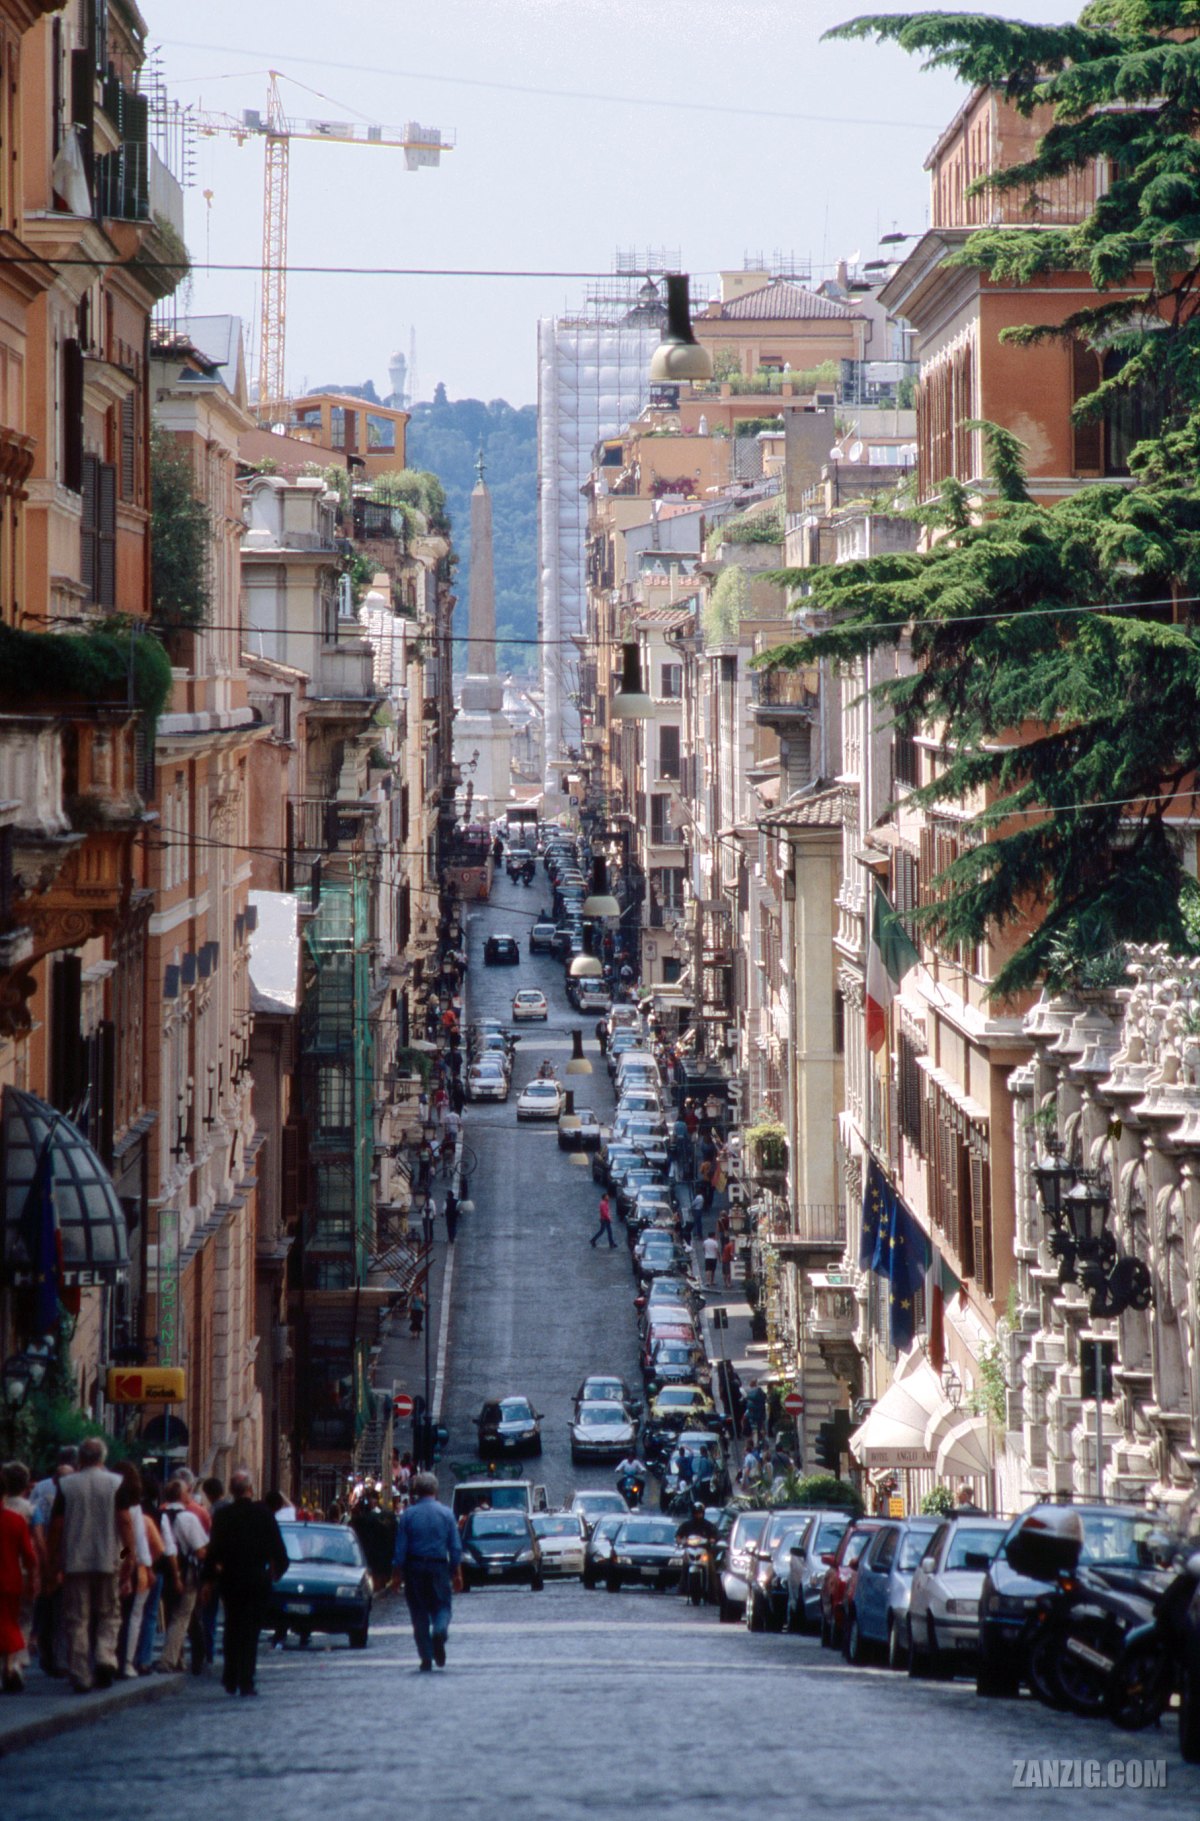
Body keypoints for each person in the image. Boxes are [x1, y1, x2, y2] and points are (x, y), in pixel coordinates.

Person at [49, 1436, 134, 1693]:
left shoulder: (66, 1485)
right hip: (109, 1559)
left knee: (77, 1618)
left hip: (74, 1560)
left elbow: (57, 1526)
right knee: (109, 1614)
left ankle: (81, 1673)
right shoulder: (116, 1483)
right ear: (102, 1457)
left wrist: (54, 1560)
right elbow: (125, 1523)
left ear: (80, 1458)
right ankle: (105, 1657)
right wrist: (127, 1556)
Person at [203, 1470, 288, 1697]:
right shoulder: (264, 1515)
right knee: (251, 1631)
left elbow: (213, 1551)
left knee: (232, 1626)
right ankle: (246, 1680)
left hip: (231, 1578)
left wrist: (208, 1580)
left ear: (231, 1491)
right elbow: (279, 1550)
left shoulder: (223, 1516)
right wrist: (276, 1572)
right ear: (251, 1489)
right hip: (256, 1578)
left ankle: (230, 1676)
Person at [389, 1471, 462, 1671]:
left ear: (416, 1491)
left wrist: (396, 1575)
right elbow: (455, 1547)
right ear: (435, 1490)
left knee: (419, 1612)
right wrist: (456, 1572)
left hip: (414, 1567)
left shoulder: (408, 1515)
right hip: (438, 1566)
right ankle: (439, 1631)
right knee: (442, 1606)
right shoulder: (446, 1514)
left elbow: (400, 1549)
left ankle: (426, 1656)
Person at [156, 1479, 208, 1673]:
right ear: (181, 1495)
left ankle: (179, 1659)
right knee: (181, 1617)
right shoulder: (188, 1518)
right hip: (185, 1571)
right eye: (188, 1491)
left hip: (162, 1571)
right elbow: (200, 1550)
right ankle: (168, 1659)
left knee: (171, 1614)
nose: (190, 1493)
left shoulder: (159, 1514)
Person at [0, 1473, 37, 1693]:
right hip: (11, 1579)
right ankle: (10, 1665)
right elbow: (29, 1555)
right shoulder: (16, 1520)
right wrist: (33, 1577)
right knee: (10, 1623)